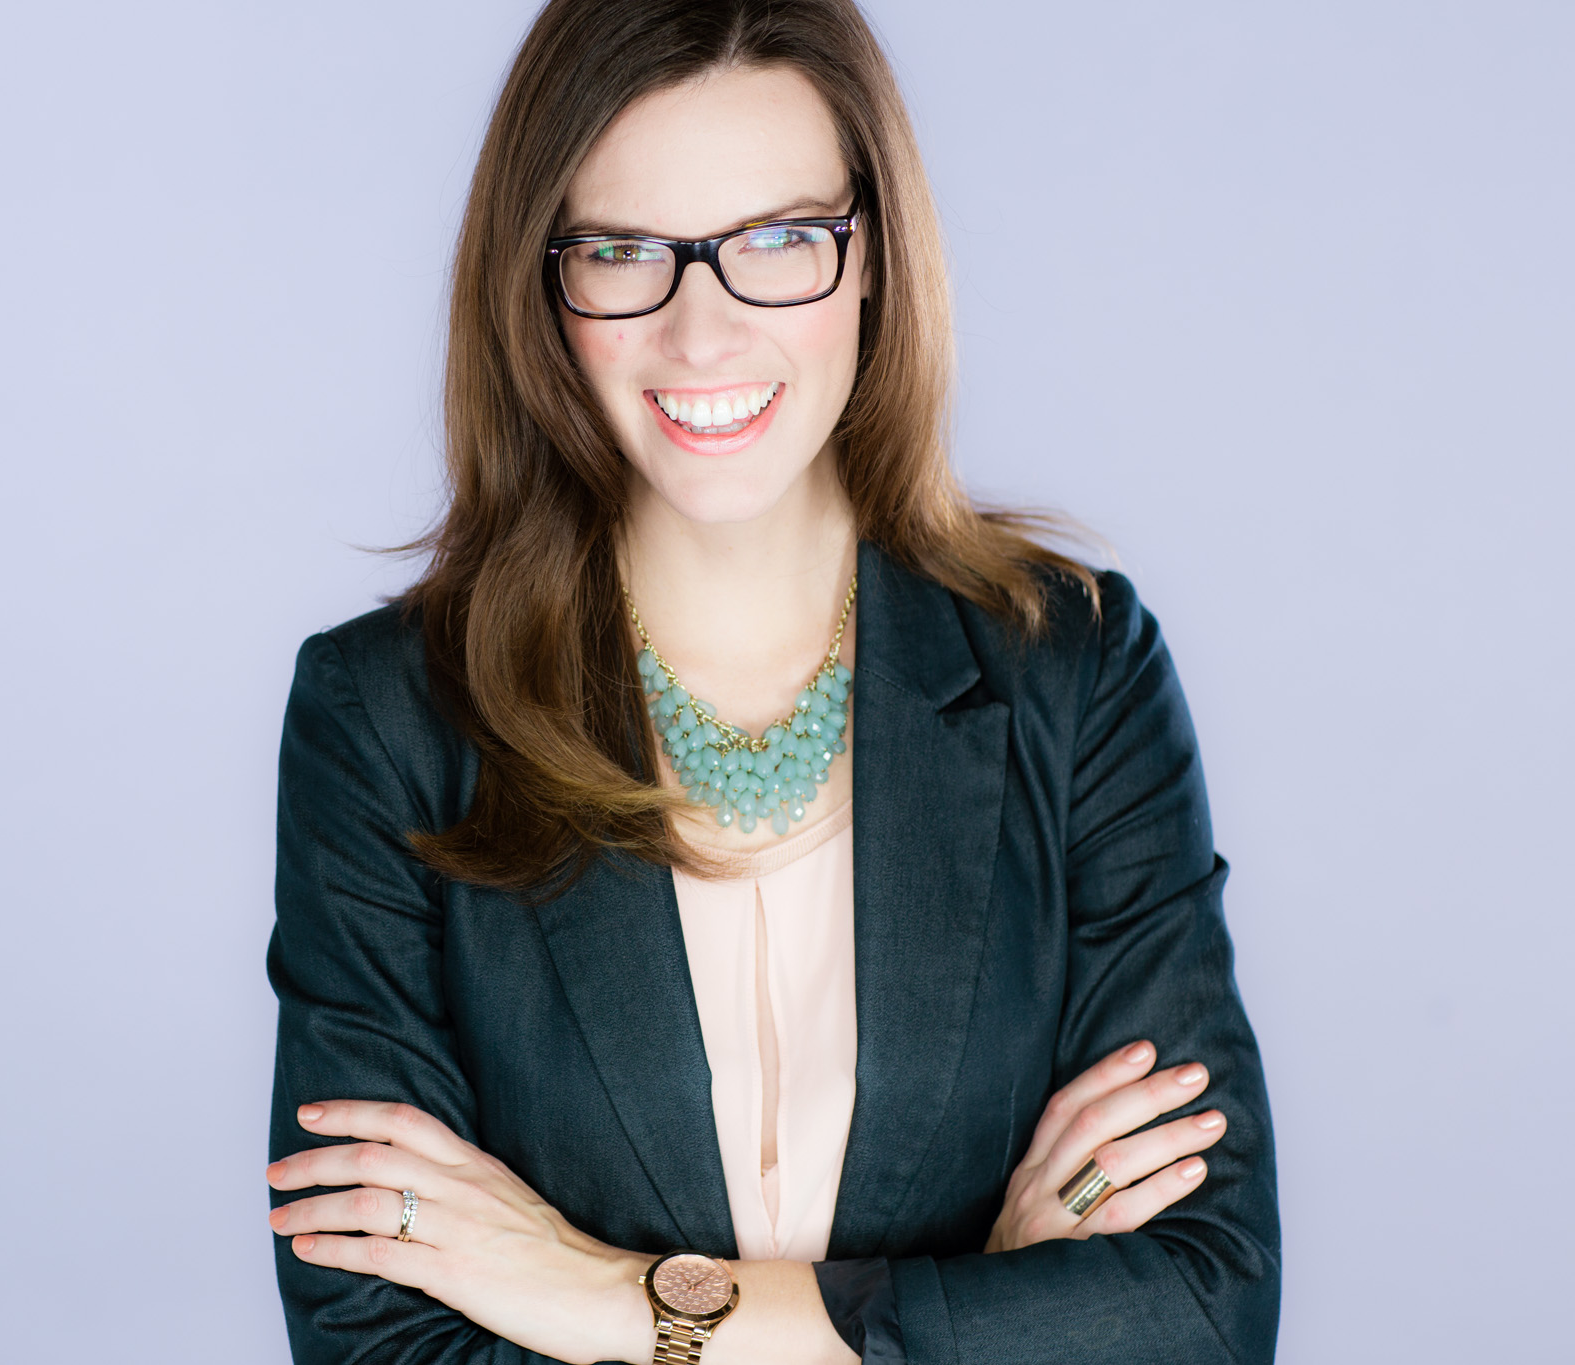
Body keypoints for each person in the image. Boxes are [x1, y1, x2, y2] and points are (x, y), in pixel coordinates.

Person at [264, 1, 1280, 1360]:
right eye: (625, 253)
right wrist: (983, 1297)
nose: (703, 332)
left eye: (781, 242)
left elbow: (1200, 1315)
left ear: (873, 262)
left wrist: (604, 1294)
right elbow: (378, 1347)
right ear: (540, 283)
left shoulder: (1074, 672)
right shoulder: (386, 721)